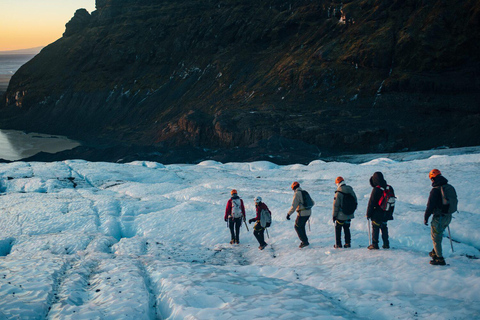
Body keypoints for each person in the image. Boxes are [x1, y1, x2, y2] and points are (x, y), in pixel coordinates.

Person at [424, 169, 456, 266]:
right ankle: (435, 252)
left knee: (436, 237)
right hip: (448, 216)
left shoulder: (436, 190)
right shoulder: (449, 187)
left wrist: (426, 217)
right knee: (439, 234)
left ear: (433, 178)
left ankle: (439, 258)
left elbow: (430, 206)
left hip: (439, 217)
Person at [366, 172, 394, 250]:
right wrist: (390, 213)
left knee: (375, 228)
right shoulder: (389, 188)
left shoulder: (376, 189)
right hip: (386, 212)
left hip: (377, 213)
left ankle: (375, 244)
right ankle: (386, 244)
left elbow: (371, 203)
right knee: (384, 227)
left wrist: (368, 214)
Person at [286, 181, 314, 248]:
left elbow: (294, 206)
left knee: (297, 227)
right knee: (301, 226)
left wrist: (288, 214)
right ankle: (305, 241)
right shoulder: (305, 192)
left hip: (302, 213)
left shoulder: (297, 194)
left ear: (293, 188)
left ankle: (304, 242)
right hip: (308, 213)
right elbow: (313, 202)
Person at [332, 176, 357, 248]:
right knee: (347, 228)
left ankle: (338, 244)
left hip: (340, 215)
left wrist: (334, 215)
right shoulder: (350, 190)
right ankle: (347, 243)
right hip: (349, 214)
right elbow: (355, 201)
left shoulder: (338, 192)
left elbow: (335, 205)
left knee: (338, 229)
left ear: (337, 183)